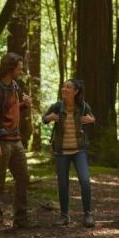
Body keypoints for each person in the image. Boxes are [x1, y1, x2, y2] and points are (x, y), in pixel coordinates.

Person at [0, 52, 33, 231]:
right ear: (10, 69)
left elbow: (9, 110)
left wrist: (24, 106)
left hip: (16, 140)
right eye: (19, 68)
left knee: (23, 179)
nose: (21, 71)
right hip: (1, 142)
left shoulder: (13, 86)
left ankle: (21, 220)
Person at [42, 79, 96, 227]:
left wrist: (91, 120)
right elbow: (44, 119)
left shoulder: (83, 106)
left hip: (79, 150)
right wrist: (50, 118)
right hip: (61, 151)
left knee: (85, 181)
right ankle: (64, 216)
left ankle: (88, 214)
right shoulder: (57, 106)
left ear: (76, 91)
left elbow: (92, 118)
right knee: (63, 184)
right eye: (63, 86)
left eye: (68, 87)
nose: (64, 89)